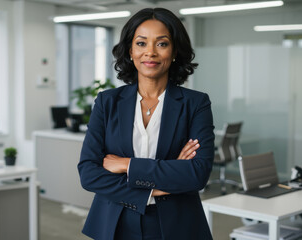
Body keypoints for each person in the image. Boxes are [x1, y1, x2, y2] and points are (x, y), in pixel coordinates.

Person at [77, 8, 214, 240]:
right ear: (130, 51)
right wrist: (161, 183)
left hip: (177, 224)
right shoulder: (107, 102)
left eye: (161, 44)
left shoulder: (196, 103)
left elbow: (197, 174)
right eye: (141, 43)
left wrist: (126, 164)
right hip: (114, 223)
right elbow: (89, 173)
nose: (150, 52)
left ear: (174, 51)